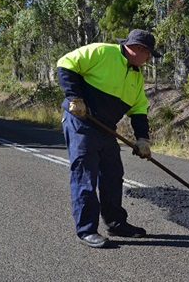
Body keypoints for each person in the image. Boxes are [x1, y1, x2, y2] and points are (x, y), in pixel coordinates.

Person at [57, 29, 161, 248]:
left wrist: (143, 139)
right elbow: (66, 63)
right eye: (148, 54)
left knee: (113, 174)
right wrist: (74, 97)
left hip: (106, 129)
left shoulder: (136, 75)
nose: (149, 59)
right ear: (138, 49)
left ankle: (115, 222)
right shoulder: (102, 52)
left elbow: (139, 109)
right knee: (85, 175)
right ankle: (86, 230)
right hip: (81, 122)